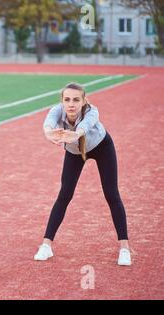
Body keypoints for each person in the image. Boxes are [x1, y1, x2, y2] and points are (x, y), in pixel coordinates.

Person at [34, 82, 132, 266]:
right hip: (75, 152)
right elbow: (47, 126)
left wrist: (75, 134)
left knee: (111, 194)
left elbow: (84, 127)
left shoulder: (92, 111)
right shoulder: (57, 110)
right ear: (62, 101)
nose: (71, 104)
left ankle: (124, 248)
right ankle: (46, 245)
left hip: (101, 147)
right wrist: (50, 134)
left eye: (76, 100)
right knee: (65, 194)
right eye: (67, 99)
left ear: (84, 101)